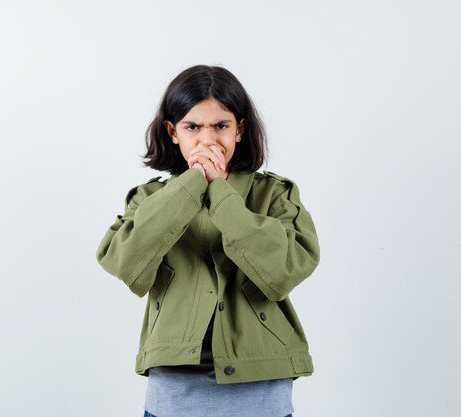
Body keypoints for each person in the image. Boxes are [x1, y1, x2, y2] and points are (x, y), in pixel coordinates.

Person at [95, 65, 321, 417]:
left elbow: (282, 272)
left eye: (221, 126)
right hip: (174, 392)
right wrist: (192, 184)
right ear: (172, 132)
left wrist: (220, 190)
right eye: (192, 126)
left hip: (261, 389)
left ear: (240, 129)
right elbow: (125, 263)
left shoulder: (274, 194)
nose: (207, 140)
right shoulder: (148, 199)